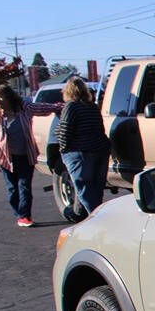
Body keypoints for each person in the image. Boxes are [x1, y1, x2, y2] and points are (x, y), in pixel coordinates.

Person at [56, 76, 111, 221]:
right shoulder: (92, 106)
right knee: (96, 190)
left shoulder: (70, 106)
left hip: (80, 152)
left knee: (84, 190)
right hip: (100, 149)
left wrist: (63, 150)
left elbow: (65, 131)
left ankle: (97, 220)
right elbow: (101, 128)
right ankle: (90, 215)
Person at [0, 84, 41, 228]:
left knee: (25, 187)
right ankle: (19, 214)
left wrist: (63, 106)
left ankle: (25, 216)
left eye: (1, 97)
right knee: (12, 189)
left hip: (25, 155)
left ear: (9, 97)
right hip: (6, 159)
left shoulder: (23, 110)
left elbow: (42, 108)